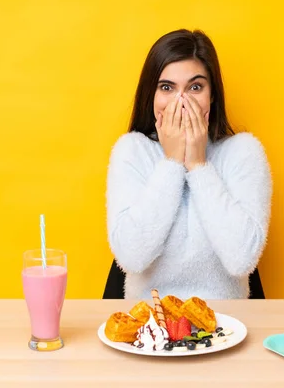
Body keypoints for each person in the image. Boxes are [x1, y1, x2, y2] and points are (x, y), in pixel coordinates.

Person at [105, 29, 272, 300]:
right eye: (167, 88)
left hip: (227, 326)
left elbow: (242, 259)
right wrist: (171, 162)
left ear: (212, 95)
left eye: (195, 87)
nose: (181, 102)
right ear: (152, 96)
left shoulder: (243, 152)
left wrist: (197, 164)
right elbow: (132, 258)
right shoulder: (132, 151)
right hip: (149, 328)